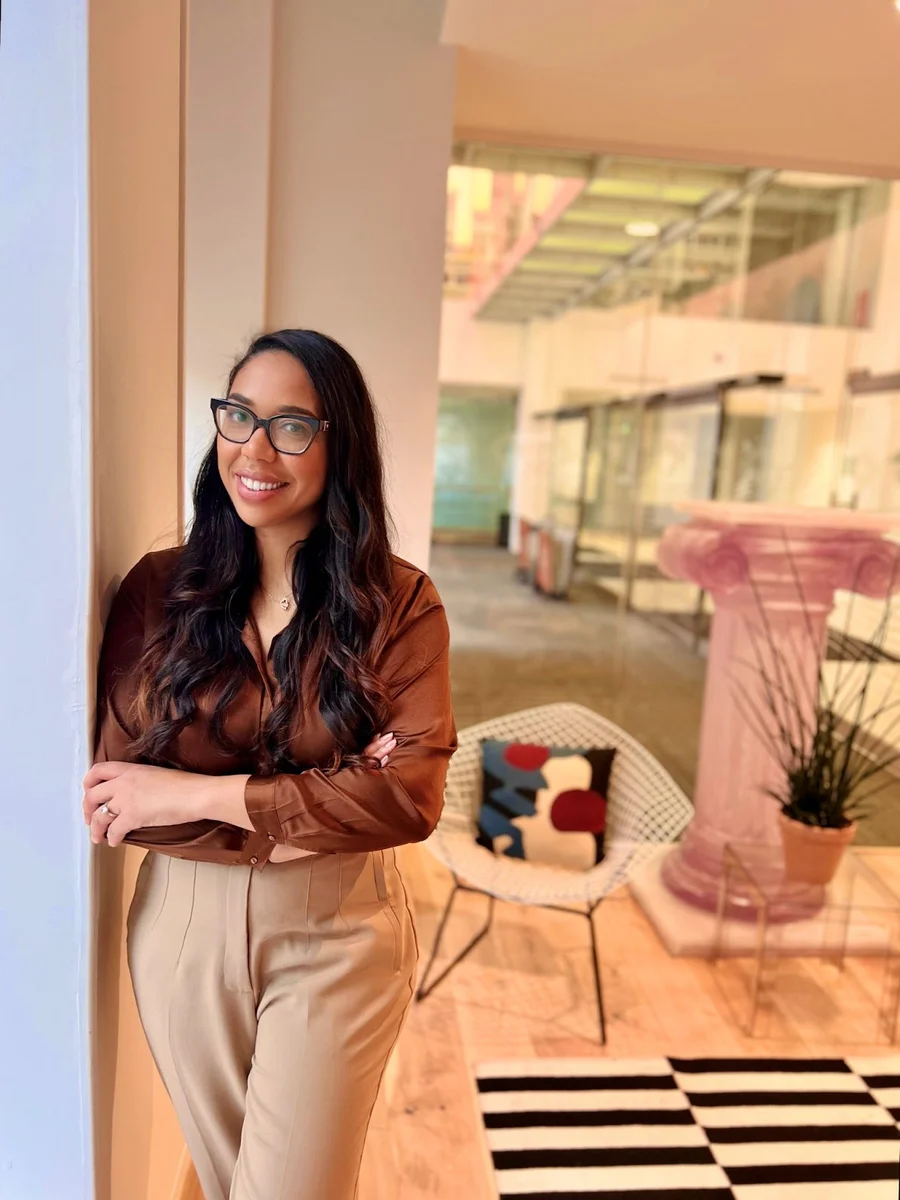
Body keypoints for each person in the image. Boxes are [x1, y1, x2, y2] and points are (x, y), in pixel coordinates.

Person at [83, 329, 457, 1200]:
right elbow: (119, 794)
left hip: (339, 933)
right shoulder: (157, 589)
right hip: (181, 930)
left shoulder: (398, 605)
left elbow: (404, 797)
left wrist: (197, 788)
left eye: (292, 425)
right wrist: (316, 803)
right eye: (239, 416)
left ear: (340, 444)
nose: (255, 448)